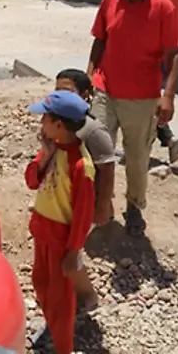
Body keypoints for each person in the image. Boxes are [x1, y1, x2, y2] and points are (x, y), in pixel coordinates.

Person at [87, 0, 178, 237]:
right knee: (98, 151)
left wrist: (168, 96)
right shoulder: (109, 0)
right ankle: (101, 203)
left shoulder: (163, 8)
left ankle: (135, 206)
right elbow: (100, 39)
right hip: (105, 89)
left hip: (141, 97)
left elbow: (174, 54)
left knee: (137, 156)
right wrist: (90, 75)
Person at [24, 90, 95, 354]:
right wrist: (44, 154)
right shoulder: (53, 149)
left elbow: (83, 213)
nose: (40, 122)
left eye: (44, 117)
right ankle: (52, 328)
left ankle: (63, 346)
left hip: (60, 239)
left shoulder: (81, 166)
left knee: (61, 297)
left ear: (59, 125)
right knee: (40, 284)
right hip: (42, 230)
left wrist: (74, 250)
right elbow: (31, 181)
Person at [53, 68, 117, 311]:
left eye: (67, 92)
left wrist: (102, 206)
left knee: (70, 252)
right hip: (63, 200)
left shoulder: (93, 131)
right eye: (57, 91)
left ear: (86, 95)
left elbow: (107, 171)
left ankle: (87, 296)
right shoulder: (59, 122)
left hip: (84, 204)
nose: (60, 97)